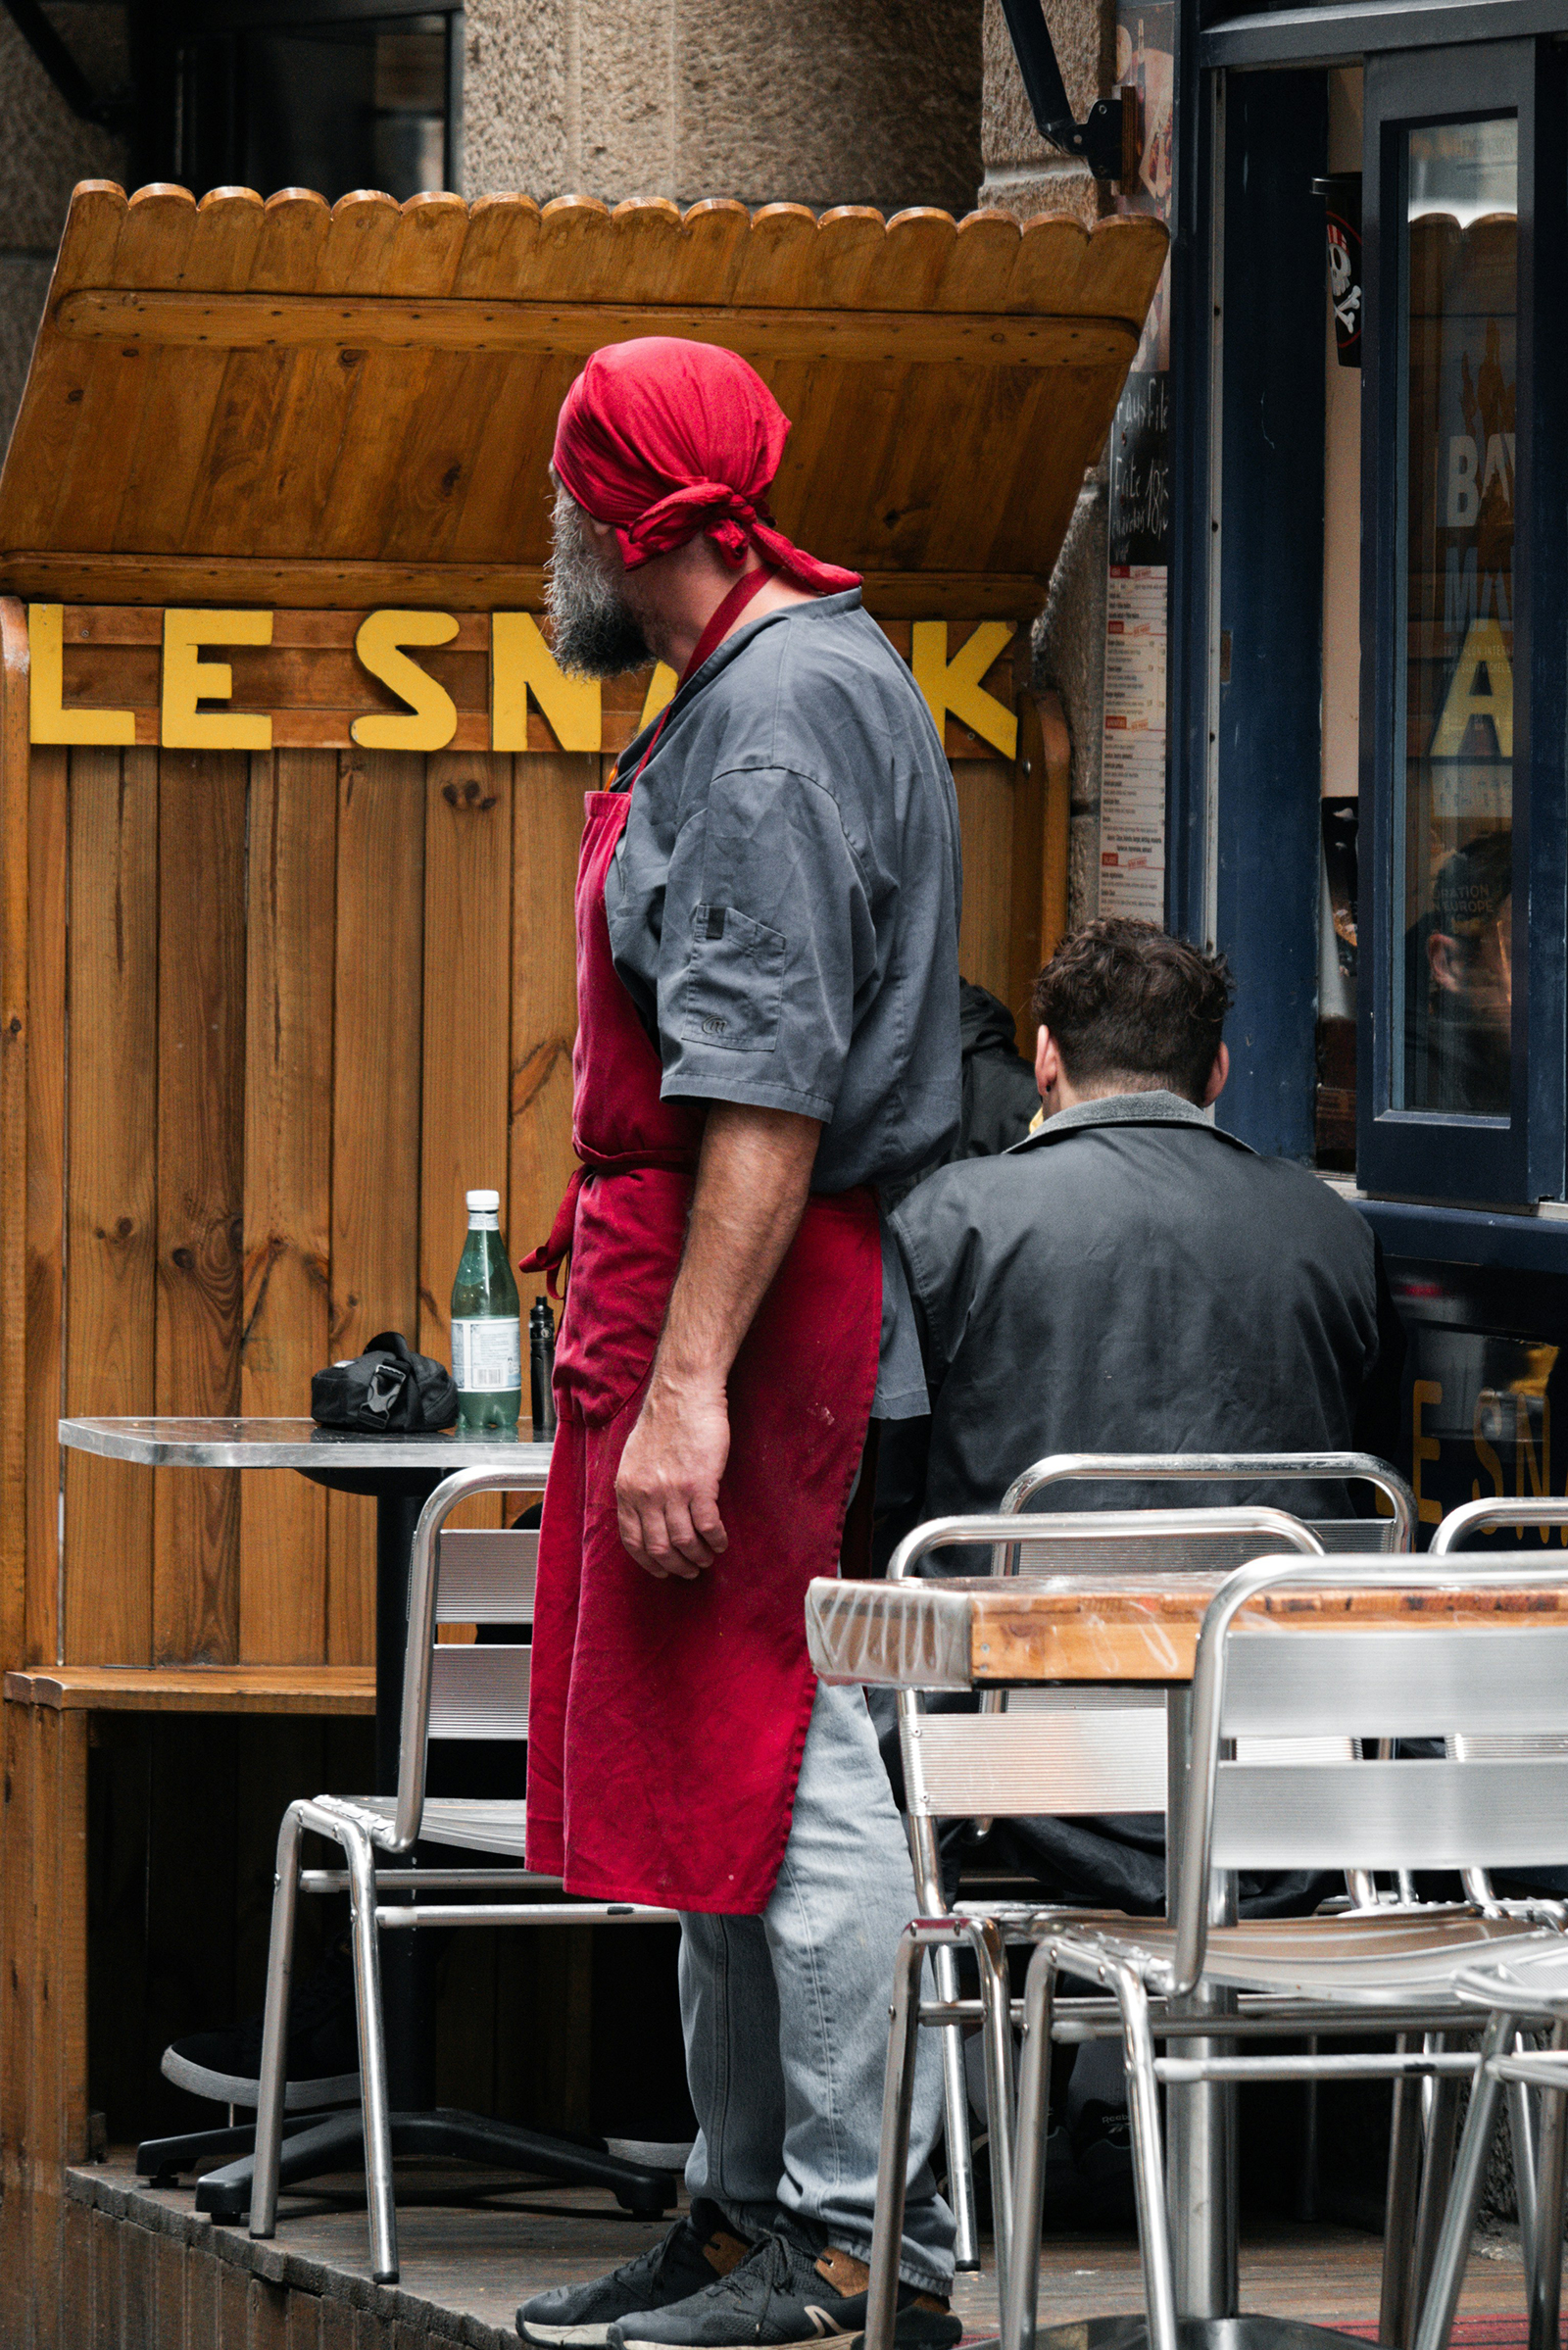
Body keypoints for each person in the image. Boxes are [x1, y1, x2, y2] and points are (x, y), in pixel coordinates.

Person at [514, 338, 964, 2350]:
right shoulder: (777, 684)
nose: (550, 539)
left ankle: (857, 2240)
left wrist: (688, 1379)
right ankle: (738, 2206)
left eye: (563, 500)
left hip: (748, 1298)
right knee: (725, 1757)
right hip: (701, 1279)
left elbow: (767, 1082)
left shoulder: (775, 724)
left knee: (792, 1751)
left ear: (633, 518)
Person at [887, 917, 1405, 1913]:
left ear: (1044, 1058)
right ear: (1214, 1070)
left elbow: (887, 1511)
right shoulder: (1333, 1233)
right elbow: (1371, 1496)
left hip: (1011, 1770)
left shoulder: (946, 1223)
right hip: (1282, 1758)